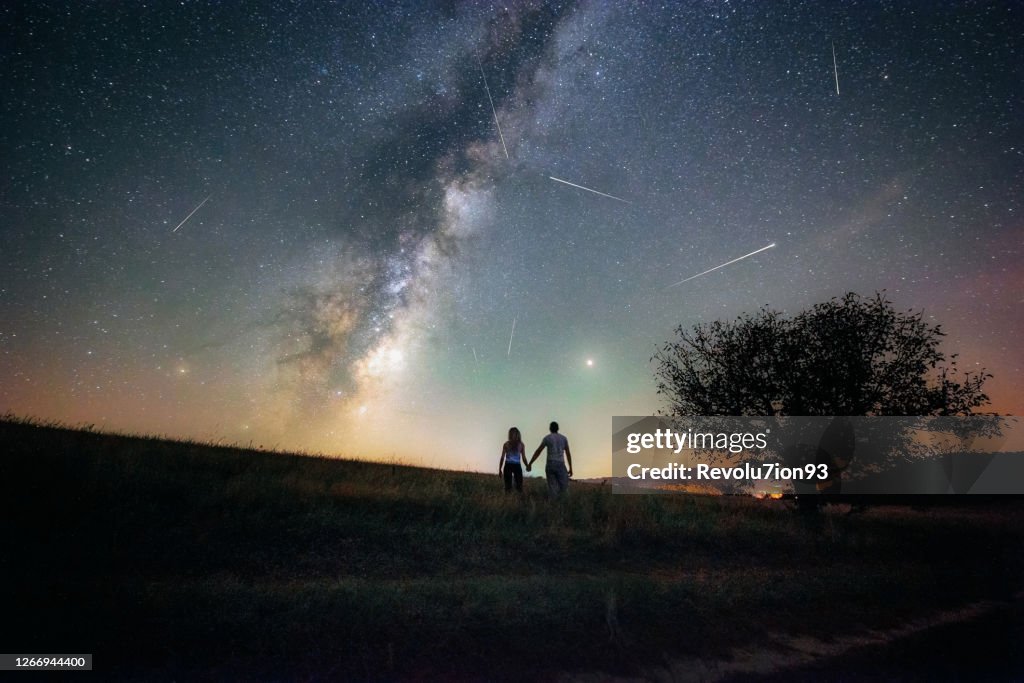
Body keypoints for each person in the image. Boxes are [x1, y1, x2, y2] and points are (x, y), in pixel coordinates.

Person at [526, 421, 573, 498]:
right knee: (564, 486)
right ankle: (564, 503)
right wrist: (570, 468)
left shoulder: (547, 438)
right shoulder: (563, 438)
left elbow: (538, 451)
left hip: (550, 463)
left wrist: (530, 463)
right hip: (560, 464)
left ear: (550, 429)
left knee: (552, 488)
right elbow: (568, 454)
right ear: (558, 428)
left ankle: (553, 503)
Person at [498, 426, 525, 493]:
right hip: (517, 465)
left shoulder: (506, 444)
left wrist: (500, 469)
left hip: (508, 465)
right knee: (519, 486)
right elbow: (524, 457)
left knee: (508, 486)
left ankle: (508, 498)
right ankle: (518, 498)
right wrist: (527, 465)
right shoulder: (521, 444)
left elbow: (502, 457)